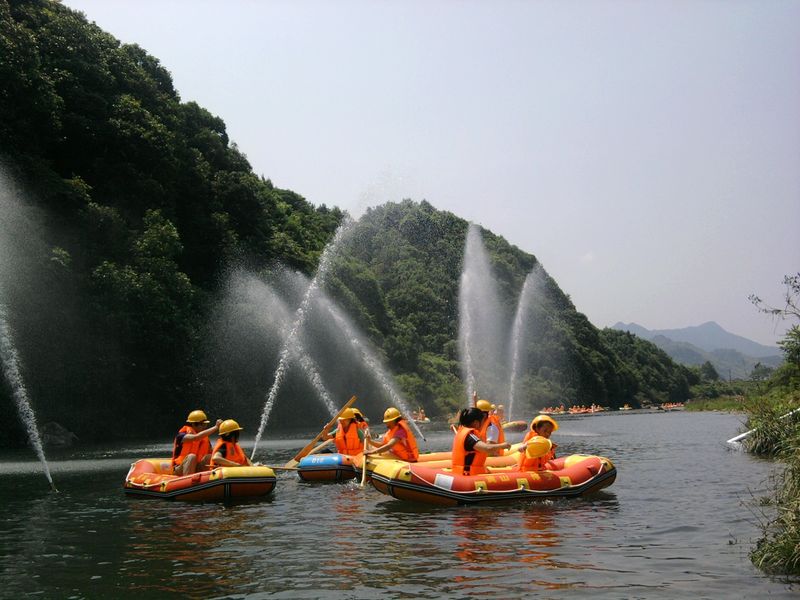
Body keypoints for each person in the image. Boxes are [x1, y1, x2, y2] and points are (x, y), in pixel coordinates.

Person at [452, 407, 511, 476]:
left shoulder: (462, 432)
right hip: (468, 475)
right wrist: (503, 445)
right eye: (482, 421)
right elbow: (487, 448)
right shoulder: (470, 437)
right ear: (476, 423)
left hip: (462, 473)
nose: (483, 423)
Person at [172, 410, 222, 475]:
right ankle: (188, 482)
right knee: (191, 457)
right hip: (180, 468)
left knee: (209, 457)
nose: (204, 427)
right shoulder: (181, 436)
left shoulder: (205, 438)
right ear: (193, 424)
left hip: (196, 467)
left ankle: (214, 478)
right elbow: (196, 437)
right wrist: (215, 427)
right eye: (202, 424)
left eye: (205, 424)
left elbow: (212, 452)